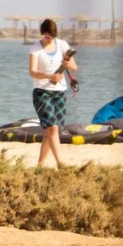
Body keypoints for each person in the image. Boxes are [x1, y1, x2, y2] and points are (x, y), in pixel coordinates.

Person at [28, 17, 76, 168]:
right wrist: (50, 76)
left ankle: (40, 165)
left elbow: (74, 67)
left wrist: (68, 64)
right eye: (46, 36)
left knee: (51, 131)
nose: (49, 39)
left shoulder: (62, 45)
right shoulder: (35, 48)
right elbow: (32, 72)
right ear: (42, 33)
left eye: (52, 36)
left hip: (60, 92)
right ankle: (60, 163)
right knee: (53, 127)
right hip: (42, 92)